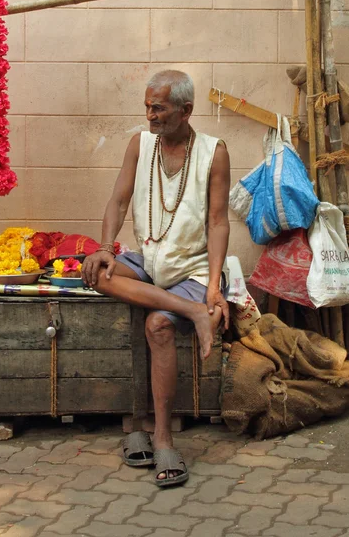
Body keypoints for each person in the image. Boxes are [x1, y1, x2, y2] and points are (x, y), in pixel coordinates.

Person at [81, 70, 230, 488]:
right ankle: (193, 312)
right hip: (150, 260)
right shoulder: (140, 145)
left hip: (193, 268)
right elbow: (118, 199)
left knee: (158, 325)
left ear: (186, 110)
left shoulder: (213, 152)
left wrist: (214, 286)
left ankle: (163, 439)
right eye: (147, 106)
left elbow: (218, 222)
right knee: (95, 272)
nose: (150, 115)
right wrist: (107, 246)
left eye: (158, 108)